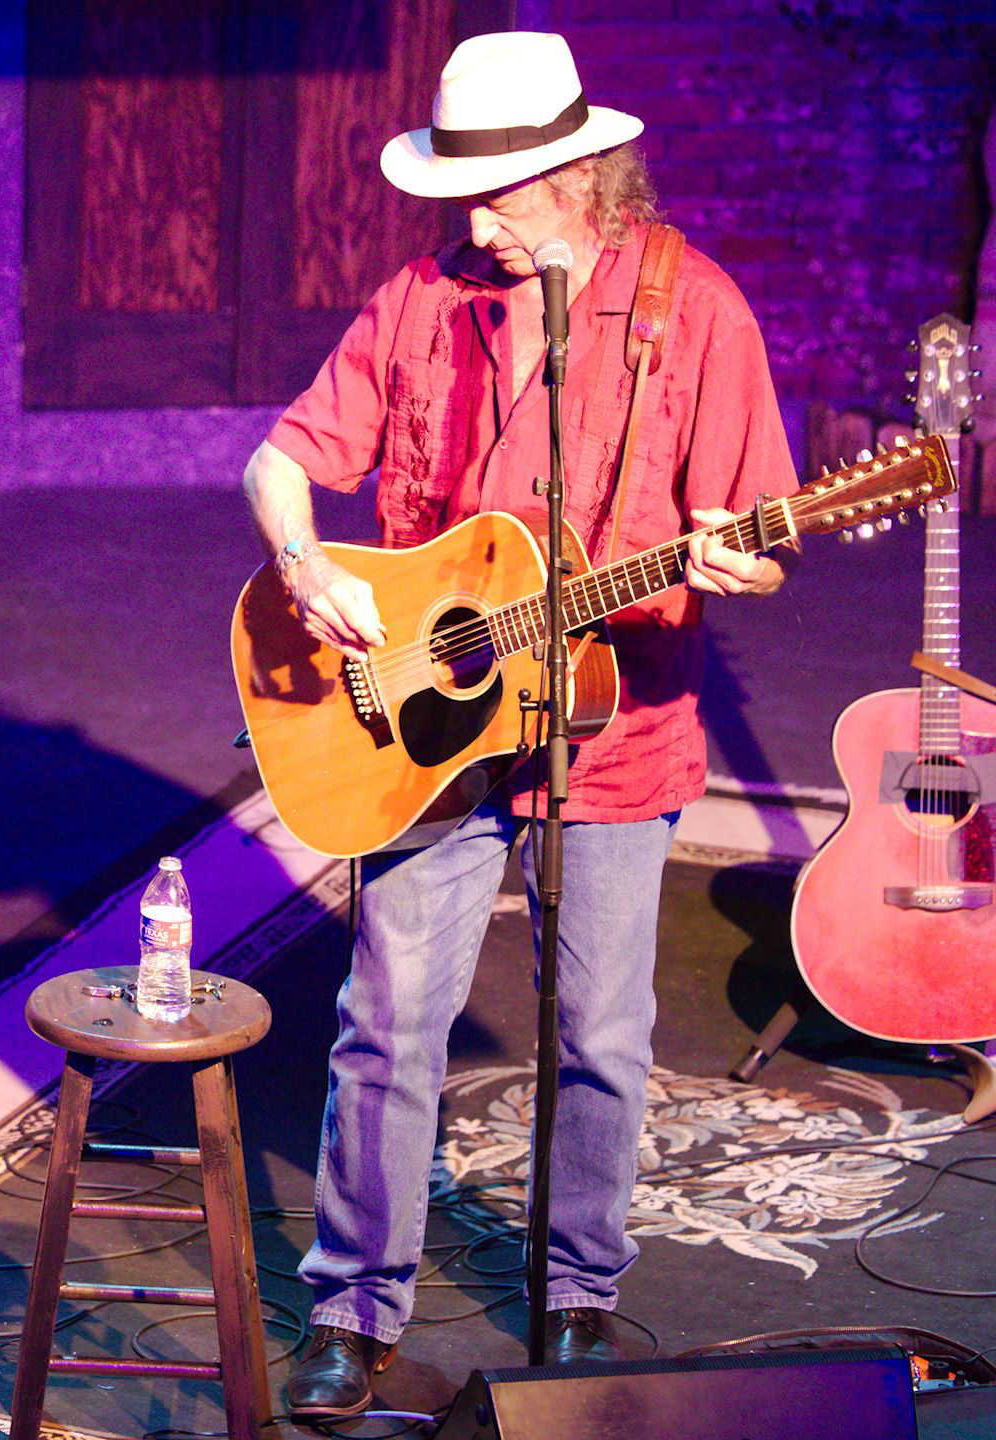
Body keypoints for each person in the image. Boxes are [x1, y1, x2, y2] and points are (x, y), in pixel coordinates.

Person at [242, 32, 800, 1419]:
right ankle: (354, 1309)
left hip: (619, 724)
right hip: (426, 725)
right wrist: (306, 564)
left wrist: (743, 555)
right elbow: (283, 456)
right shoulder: (426, 298)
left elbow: (763, 530)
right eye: (461, 194)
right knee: (385, 1025)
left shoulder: (698, 310)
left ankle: (578, 1298)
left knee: (604, 1034)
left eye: (498, 195)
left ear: (584, 181)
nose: (470, 223)